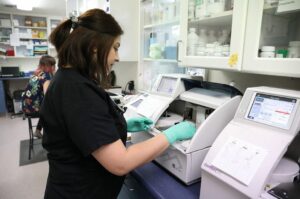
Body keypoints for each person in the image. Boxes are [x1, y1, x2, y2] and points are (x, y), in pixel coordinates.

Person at [41, 9, 196, 199]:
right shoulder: (77, 89)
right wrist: (172, 134)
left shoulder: (67, 79)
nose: (117, 57)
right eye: (115, 47)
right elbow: (120, 163)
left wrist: (122, 124)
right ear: (95, 46)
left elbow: (82, 128)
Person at [22, 55, 56, 138]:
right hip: (33, 109)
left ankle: (37, 130)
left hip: (25, 106)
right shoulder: (46, 76)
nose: (53, 67)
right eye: (52, 65)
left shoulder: (37, 72)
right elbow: (47, 95)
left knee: (46, 108)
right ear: (45, 66)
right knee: (52, 111)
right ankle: (52, 138)